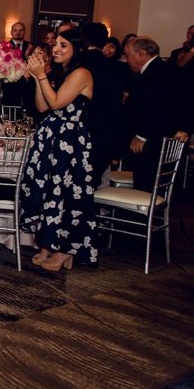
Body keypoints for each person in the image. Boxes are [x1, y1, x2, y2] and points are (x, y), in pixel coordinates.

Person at [21, 29, 98, 272]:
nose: (56, 49)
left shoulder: (81, 73)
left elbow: (56, 103)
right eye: (55, 44)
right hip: (53, 141)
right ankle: (48, 244)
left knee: (68, 196)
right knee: (49, 194)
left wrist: (42, 74)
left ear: (77, 50)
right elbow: (43, 106)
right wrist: (36, 77)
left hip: (71, 144)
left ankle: (65, 250)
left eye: (63, 45)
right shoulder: (64, 74)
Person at [124, 36, 185, 191]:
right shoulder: (167, 69)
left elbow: (154, 107)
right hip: (160, 136)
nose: (126, 59)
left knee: (144, 184)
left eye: (128, 55)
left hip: (151, 140)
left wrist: (141, 135)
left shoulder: (153, 74)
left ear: (141, 54)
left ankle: (140, 213)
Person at [81, 22, 125, 185]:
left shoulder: (81, 64)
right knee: (92, 181)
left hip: (84, 132)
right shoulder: (117, 67)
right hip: (107, 134)